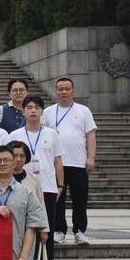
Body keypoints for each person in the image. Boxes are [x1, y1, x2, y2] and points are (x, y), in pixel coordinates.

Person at [43, 77, 97, 245]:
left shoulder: (84, 111)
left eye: (67, 89)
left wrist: (91, 157)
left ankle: (79, 231)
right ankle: (59, 230)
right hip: (55, 163)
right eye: (60, 89)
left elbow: (90, 135)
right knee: (57, 198)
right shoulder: (48, 112)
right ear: (56, 91)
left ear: (73, 91)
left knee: (80, 197)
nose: (64, 92)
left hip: (78, 162)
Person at [10, 95, 63, 260]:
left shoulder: (52, 134)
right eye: (29, 107)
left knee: (47, 229)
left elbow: (58, 160)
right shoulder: (14, 135)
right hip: (23, 187)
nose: (33, 111)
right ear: (23, 111)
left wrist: (60, 185)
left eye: (37, 108)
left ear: (42, 111)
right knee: (24, 228)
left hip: (47, 187)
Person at [9, 141, 49, 243]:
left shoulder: (33, 179)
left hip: (29, 228)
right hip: (7, 226)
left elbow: (41, 204)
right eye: (15, 155)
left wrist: (44, 229)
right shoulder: (1, 179)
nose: (18, 159)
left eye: (22, 156)